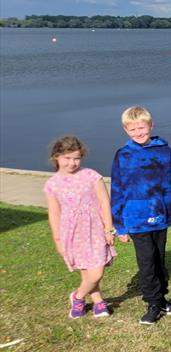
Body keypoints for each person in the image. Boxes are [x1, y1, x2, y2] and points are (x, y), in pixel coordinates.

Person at [111, 106, 171, 325]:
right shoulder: (123, 155)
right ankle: (153, 304)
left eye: (142, 127)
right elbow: (117, 190)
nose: (138, 133)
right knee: (146, 263)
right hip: (136, 219)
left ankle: (162, 299)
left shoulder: (165, 151)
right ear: (126, 130)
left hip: (159, 216)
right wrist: (120, 226)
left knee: (159, 260)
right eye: (133, 129)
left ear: (151, 125)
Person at [45, 136, 116, 319]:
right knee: (87, 268)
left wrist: (108, 228)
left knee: (97, 270)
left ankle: (77, 296)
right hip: (72, 231)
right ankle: (98, 301)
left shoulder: (91, 175)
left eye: (76, 158)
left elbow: (104, 202)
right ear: (56, 157)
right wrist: (58, 239)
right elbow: (54, 214)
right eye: (67, 158)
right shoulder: (52, 184)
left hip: (95, 228)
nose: (72, 163)